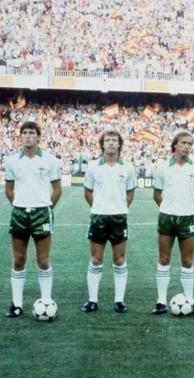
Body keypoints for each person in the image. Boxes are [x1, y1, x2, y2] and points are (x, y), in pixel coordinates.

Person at [4, 121, 62, 317]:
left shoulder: (50, 160)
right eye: (24, 133)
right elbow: (9, 190)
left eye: (31, 133)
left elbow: (57, 190)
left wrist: (45, 206)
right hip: (20, 213)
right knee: (19, 260)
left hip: (42, 213)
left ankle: (46, 300)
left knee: (43, 260)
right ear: (20, 137)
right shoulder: (12, 161)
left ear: (38, 137)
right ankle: (16, 305)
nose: (28, 136)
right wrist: (20, 204)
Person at [151, 132, 194, 314]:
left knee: (187, 261)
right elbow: (156, 194)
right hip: (167, 218)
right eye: (183, 143)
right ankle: (160, 301)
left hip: (187, 219)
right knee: (164, 259)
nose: (187, 146)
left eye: (190, 143)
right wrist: (168, 208)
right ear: (175, 145)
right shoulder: (162, 167)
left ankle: (190, 300)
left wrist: (191, 210)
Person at [83, 129, 136, 313]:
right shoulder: (93, 166)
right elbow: (87, 192)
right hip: (98, 217)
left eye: (115, 140)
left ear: (119, 144)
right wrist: (98, 207)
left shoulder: (127, 168)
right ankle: (92, 300)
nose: (111, 143)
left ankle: (119, 301)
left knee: (119, 259)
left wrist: (120, 207)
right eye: (108, 140)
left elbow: (130, 193)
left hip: (119, 217)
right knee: (96, 259)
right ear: (103, 144)